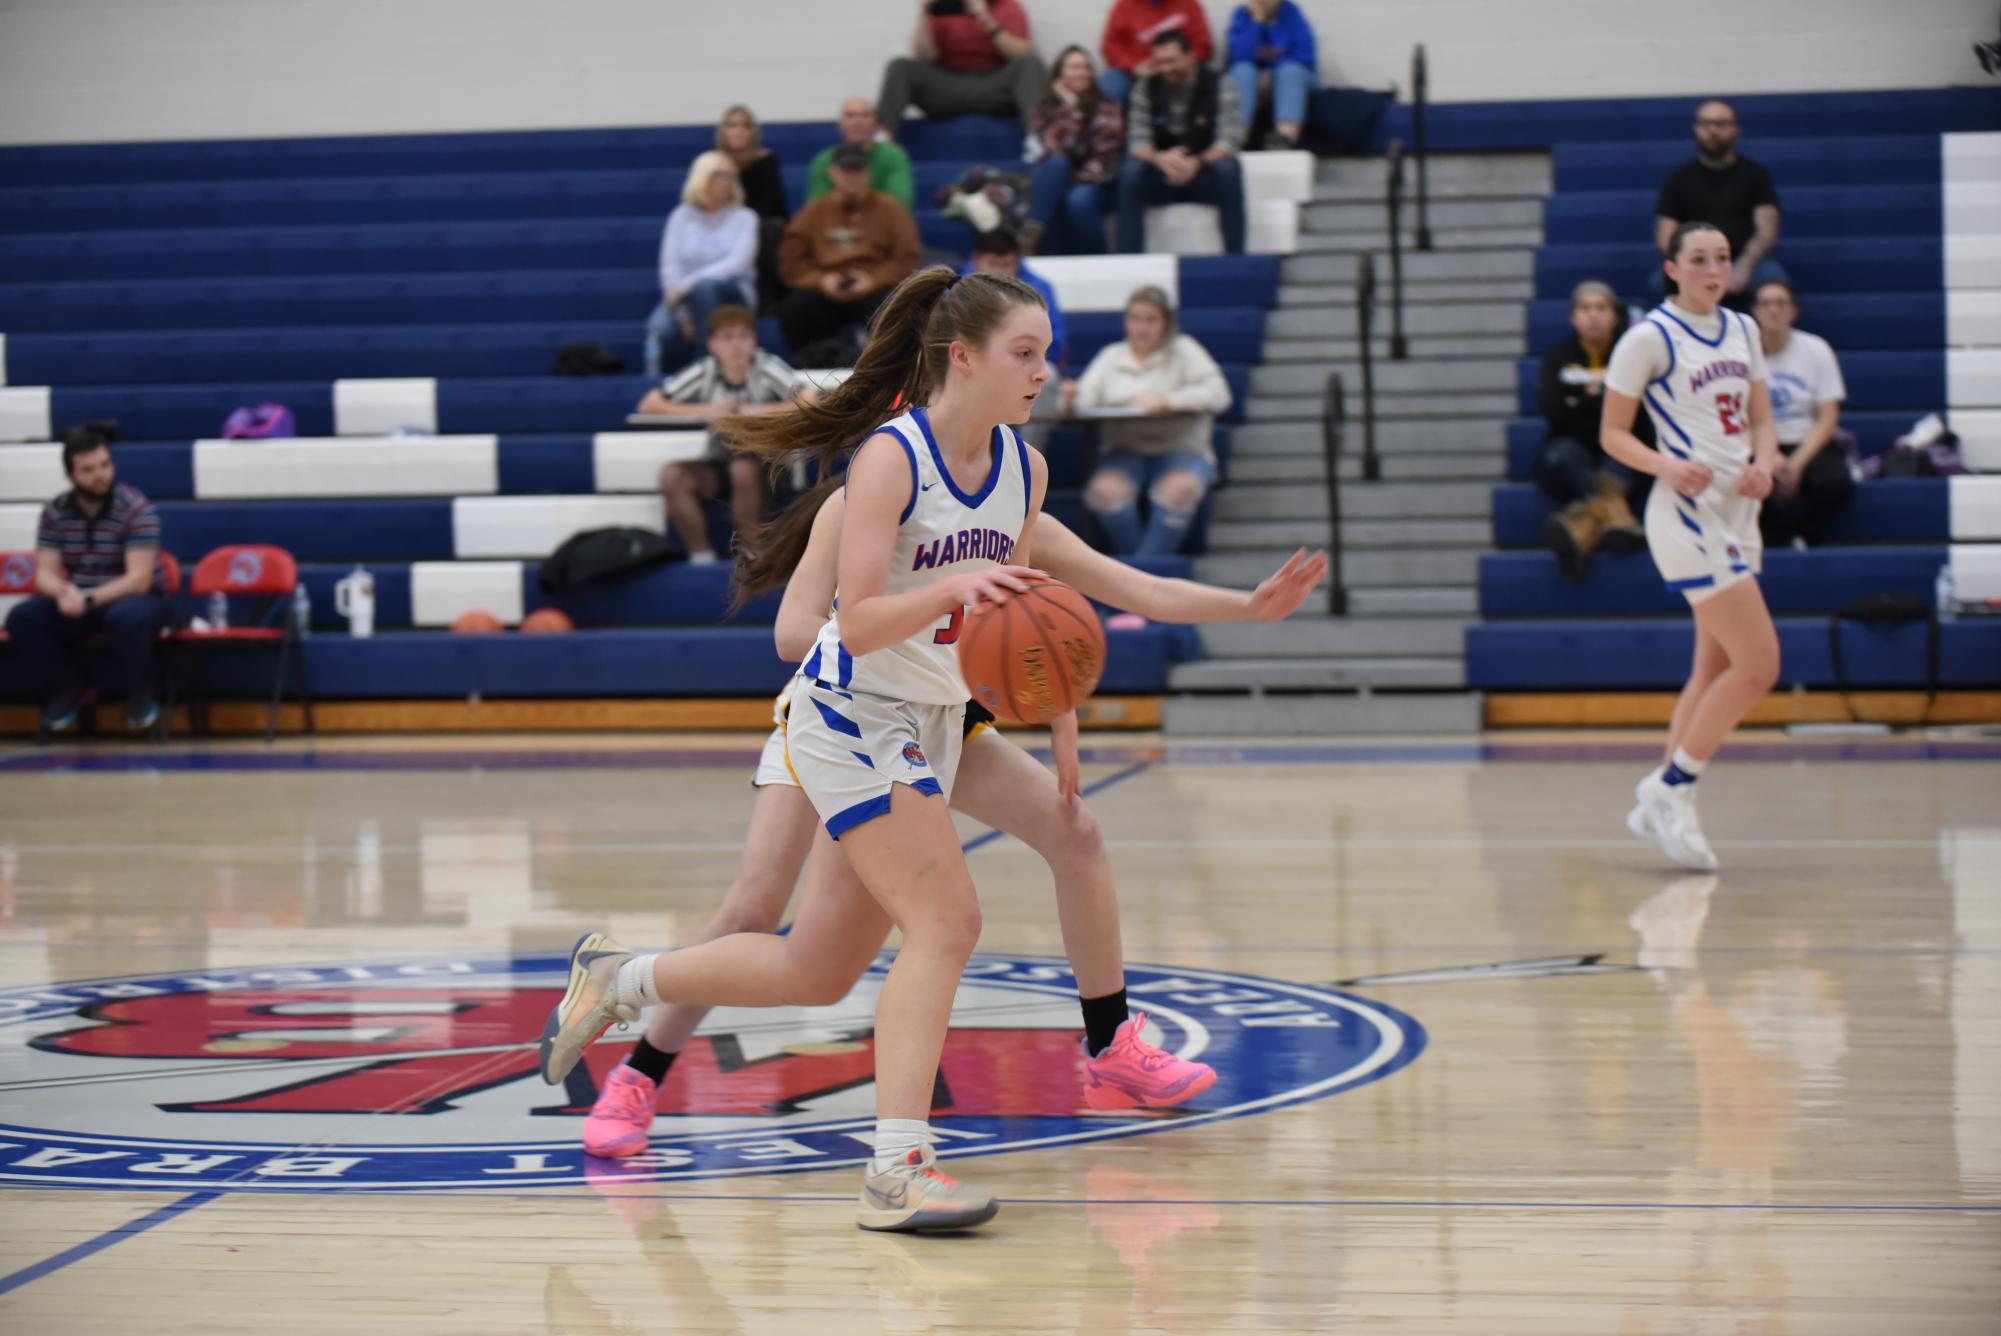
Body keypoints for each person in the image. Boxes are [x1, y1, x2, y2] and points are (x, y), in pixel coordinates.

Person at [540, 265, 1059, 1233]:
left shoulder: (1014, 473)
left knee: (816, 966)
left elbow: (1032, 611)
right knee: (876, 913)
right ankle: (881, 1159)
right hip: (839, 703)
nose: (1042, 373)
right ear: (957, 362)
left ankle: (624, 979)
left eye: (1042, 354)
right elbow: (826, 627)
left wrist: (1052, 701)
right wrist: (943, 598)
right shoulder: (883, 468)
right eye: (1025, 354)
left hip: (915, 717)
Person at [577, 490, 1326, 1161]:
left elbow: (1120, 591)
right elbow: (792, 631)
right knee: (754, 912)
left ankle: (1111, 1044)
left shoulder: (1008, 494)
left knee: (1075, 833)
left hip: (938, 719)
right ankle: (639, 1073)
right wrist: (906, 629)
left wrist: (1243, 607)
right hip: (842, 712)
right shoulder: (863, 500)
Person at [1601, 221, 1782, 873]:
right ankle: (1671, 786)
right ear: (1672, 269)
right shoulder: (1648, 338)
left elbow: (1761, 418)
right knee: (1759, 665)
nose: (1713, 269)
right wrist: (1664, 466)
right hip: (1685, 511)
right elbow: (1612, 435)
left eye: (1722, 259)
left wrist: (1764, 462)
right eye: (1699, 259)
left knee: (1712, 670)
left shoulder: (1742, 329)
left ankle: (1661, 799)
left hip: (1739, 511)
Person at [5, 426, 169, 733]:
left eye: (105, 465)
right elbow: (44, 574)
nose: (100, 475)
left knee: (125, 619)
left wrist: (88, 599)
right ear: (71, 476)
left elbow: (139, 579)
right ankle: (71, 685)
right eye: (89, 470)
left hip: (135, 599)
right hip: (80, 598)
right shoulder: (55, 512)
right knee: (22, 618)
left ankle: (141, 691)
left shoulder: (136, 508)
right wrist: (62, 592)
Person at [636, 305, 815, 566]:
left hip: (770, 466)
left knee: (742, 468)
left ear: (754, 341)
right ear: (711, 344)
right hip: (720, 462)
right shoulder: (705, 370)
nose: (736, 345)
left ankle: (751, 555)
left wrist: (757, 412)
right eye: (727, 337)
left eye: (743, 336)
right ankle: (702, 556)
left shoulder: (766, 367)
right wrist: (708, 410)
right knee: (672, 476)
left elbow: (810, 400)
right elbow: (649, 403)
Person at [1066, 285, 1232, 556]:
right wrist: (1071, 397)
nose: (1142, 327)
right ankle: (1148, 576)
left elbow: (1219, 394)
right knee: (1105, 491)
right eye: (1135, 318)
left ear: (1165, 323)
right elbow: (1085, 398)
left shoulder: (1184, 350)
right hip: (1123, 452)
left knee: (1179, 489)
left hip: (1182, 451)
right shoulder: (1111, 356)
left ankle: (1139, 575)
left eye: (1150, 319)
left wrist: (1168, 401)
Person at [1536, 280, 1652, 577]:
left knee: (1626, 453)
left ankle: (1581, 528)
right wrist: (1602, 403)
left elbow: (1638, 416)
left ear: (1614, 315)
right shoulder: (1557, 357)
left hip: (1620, 451)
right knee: (1564, 452)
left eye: (1601, 308)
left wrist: (1581, 402)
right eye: (1585, 309)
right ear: (1573, 317)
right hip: (1570, 453)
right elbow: (1555, 413)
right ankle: (1616, 514)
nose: (1593, 316)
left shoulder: (1630, 358)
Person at [776, 143, 923, 363]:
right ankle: (808, 368)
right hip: (826, 287)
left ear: (868, 173)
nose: (852, 177)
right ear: (832, 173)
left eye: (858, 170)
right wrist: (821, 280)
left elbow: (907, 257)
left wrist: (873, 280)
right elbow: (790, 262)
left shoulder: (891, 210)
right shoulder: (812, 213)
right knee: (795, 308)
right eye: (846, 171)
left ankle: (891, 368)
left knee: (896, 305)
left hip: (875, 286)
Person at [1117, 29, 1247, 256]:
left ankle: (1234, 257)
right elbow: (1137, 142)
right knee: (1131, 170)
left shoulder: (1219, 83)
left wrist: (1197, 163)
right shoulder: (1145, 87)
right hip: (1162, 174)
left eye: (1171, 61)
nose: (1165, 69)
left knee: (1229, 168)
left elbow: (1229, 140)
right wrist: (1161, 159)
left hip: (1203, 174)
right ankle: (1130, 258)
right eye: (1159, 62)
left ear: (1191, 56)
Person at [1750, 280, 1854, 548]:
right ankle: (1769, 542)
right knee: (1746, 481)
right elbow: (1739, 418)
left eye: (1781, 303)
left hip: (1806, 441)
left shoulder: (1816, 349)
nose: (1773, 310)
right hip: (1757, 441)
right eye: (1766, 304)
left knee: (1836, 482)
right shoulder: (1742, 356)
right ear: (1755, 311)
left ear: (1793, 311)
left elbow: (1828, 416)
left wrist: (1794, 464)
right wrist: (1770, 457)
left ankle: (1807, 536)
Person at [1653, 100, 1785, 305]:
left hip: (1745, 261)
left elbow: (1767, 231)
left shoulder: (1756, 175)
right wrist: (1694, 266)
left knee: (1773, 281)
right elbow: (1666, 236)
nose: (1713, 130)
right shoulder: (1678, 179)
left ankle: (1766, 338)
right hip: (1695, 260)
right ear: (1696, 129)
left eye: (1721, 124)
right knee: (1657, 282)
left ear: (1736, 129)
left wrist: (1743, 266)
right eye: (1706, 124)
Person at [643, 151, 758, 379]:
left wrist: (689, 285)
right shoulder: (680, 216)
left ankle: (703, 368)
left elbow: (738, 265)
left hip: (732, 293)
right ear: (701, 178)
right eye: (719, 174)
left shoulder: (745, 217)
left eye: (730, 175)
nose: (726, 181)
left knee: (706, 287)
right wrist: (684, 315)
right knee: (659, 327)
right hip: (684, 297)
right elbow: (670, 267)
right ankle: (667, 380)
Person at [877, 0, 1045, 133]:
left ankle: (1039, 137)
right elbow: (925, 56)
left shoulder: (1008, 6)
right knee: (899, 67)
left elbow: (1023, 53)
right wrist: (924, 15)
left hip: (993, 87)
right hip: (947, 87)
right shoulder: (942, 7)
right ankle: (880, 139)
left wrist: (986, 19)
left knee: (1030, 64)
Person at [1025, 45, 1125, 256]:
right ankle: (1030, 240)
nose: (1081, 72)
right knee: (1057, 163)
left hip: (1096, 181)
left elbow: (1105, 154)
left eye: (1086, 67)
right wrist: (1070, 109)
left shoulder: (1107, 105)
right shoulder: (1044, 108)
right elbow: (1051, 148)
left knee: (1078, 199)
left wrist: (1072, 106)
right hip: (1056, 178)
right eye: (1074, 67)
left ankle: (1097, 258)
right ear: (1060, 73)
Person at [716, 105, 791, 307]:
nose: (738, 131)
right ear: (723, 131)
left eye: (745, 126)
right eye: (732, 125)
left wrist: (741, 222)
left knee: (767, 230)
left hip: (758, 228)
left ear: (753, 132)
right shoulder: (714, 165)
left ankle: (766, 299)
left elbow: (773, 205)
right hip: (722, 226)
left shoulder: (765, 160)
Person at [1225, 0, 1317, 149]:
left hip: (1292, 80)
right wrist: (1257, 22)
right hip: (1255, 80)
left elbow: (1305, 57)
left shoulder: (1291, 14)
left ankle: (1284, 139)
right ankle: (1236, 141)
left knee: (1290, 72)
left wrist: (1272, 71)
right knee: (1243, 71)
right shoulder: (1242, 15)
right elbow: (1239, 56)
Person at [806, 97, 916, 211]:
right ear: (840, 124)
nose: (857, 122)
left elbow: (899, 205)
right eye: (850, 116)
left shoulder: (894, 156)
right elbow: (816, 210)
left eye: (865, 115)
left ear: (875, 122)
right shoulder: (823, 161)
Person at [1099, 0, 1214, 105]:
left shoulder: (1188, 4)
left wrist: (1177, 64)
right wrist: (1133, 66)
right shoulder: (1124, 6)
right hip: (1137, 70)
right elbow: (1110, 45)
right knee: (1111, 84)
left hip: (1179, 70)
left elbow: (1203, 45)